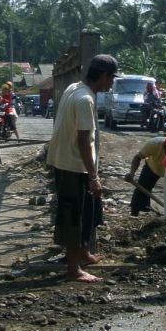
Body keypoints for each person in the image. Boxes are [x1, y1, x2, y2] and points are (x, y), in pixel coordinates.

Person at [46, 53, 120, 282]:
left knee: (90, 209)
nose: (112, 83)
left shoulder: (75, 87)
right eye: (112, 78)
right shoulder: (85, 100)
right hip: (73, 165)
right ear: (105, 76)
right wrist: (94, 176)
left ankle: (84, 253)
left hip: (65, 160)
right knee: (73, 214)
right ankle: (73, 269)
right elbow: (83, 141)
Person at [124, 133, 166, 215]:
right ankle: (134, 214)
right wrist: (131, 173)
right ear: (164, 146)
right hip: (153, 167)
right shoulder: (155, 143)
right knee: (142, 188)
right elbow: (137, 158)